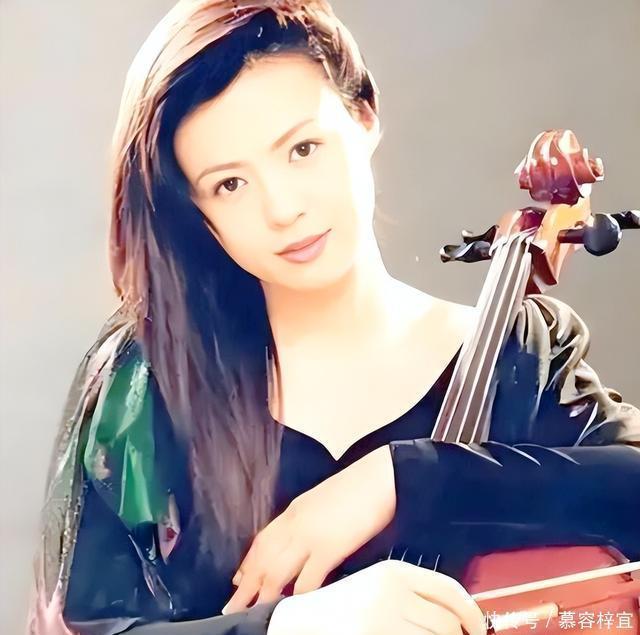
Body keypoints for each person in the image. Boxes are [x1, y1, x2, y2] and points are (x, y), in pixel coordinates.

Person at [27, 2, 640, 634]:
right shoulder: (148, 380)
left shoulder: (520, 352)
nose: (282, 208)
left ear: (364, 116)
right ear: (196, 209)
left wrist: (405, 476)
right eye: (230, 184)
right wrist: (294, 625)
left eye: (303, 148)